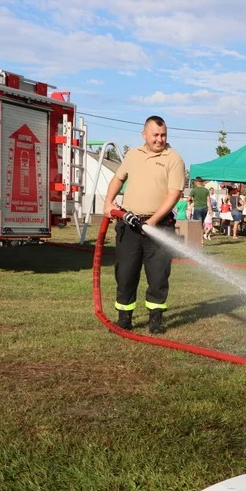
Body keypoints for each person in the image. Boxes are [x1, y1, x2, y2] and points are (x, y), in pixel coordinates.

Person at [103, 116, 185, 335]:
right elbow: (118, 179)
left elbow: (174, 194)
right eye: (155, 135)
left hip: (158, 227)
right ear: (144, 135)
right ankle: (124, 319)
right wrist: (108, 202)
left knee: (158, 276)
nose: (160, 139)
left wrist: (152, 221)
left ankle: (155, 321)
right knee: (125, 274)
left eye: (163, 135)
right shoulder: (133, 155)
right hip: (129, 226)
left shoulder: (174, 159)